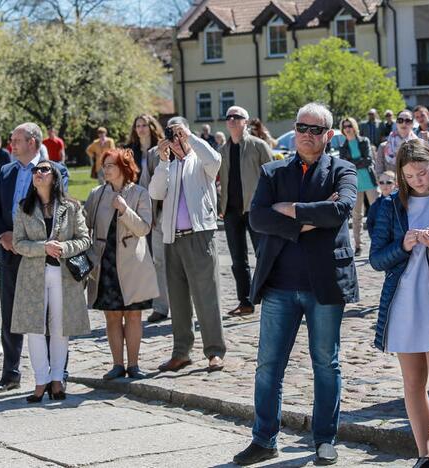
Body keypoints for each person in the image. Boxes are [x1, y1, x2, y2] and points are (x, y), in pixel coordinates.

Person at [232, 102, 358, 466]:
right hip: (279, 285)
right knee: (268, 365)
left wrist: (290, 210)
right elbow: (257, 218)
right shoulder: (273, 172)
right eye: (302, 127)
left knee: (326, 363)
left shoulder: (343, 169)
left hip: (325, 286)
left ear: (328, 135)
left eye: (315, 130)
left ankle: (324, 439)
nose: (306, 134)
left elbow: (339, 211)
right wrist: (308, 219)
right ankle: (264, 438)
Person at [369, 140, 429, 468]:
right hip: (404, 304)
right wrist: (403, 245)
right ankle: (423, 455)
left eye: (422, 173)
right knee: (413, 383)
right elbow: (377, 259)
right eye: (409, 176)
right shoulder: (389, 205)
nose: (418, 180)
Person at [0, 122, 70, 393]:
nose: (12, 144)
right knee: (12, 313)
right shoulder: (6, 171)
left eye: (17, 140)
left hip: (40, 254)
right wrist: (4, 235)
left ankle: (53, 374)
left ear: (33, 142)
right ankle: (10, 373)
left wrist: (32, 241)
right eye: (12, 139)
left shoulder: (55, 170)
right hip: (10, 252)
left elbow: (57, 207)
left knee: (49, 315)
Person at [148, 116, 226, 373]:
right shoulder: (167, 165)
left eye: (178, 134)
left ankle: (214, 351)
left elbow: (215, 160)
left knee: (207, 297)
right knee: (178, 301)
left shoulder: (200, 160)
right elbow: (155, 193)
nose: (176, 140)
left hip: (199, 235)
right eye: (173, 135)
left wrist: (190, 136)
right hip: (172, 238)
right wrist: (162, 161)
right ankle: (181, 352)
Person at [12, 160, 91, 402]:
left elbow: (84, 239)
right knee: (35, 328)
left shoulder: (71, 206)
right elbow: (18, 243)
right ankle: (40, 381)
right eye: (35, 170)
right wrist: (42, 248)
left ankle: (57, 380)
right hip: (33, 275)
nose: (38, 173)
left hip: (64, 275)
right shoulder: (24, 207)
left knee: (60, 327)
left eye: (44, 169)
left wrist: (63, 247)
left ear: (54, 177)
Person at [86, 148, 158, 380]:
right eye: (103, 165)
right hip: (105, 264)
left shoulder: (139, 193)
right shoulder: (96, 194)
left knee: (134, 315)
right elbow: (84, 224)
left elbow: (144, 228)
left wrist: (125, 209)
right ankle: (117, 365)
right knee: (113, 316)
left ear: (123, 168)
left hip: (133, 265)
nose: (105, 169)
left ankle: (134, 365)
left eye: (110, 165)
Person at [219, 106, 273, 316]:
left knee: (264, 255)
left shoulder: (258, 146)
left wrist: (270, 205)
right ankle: (246, 301)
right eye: (229, 117)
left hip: (256, 209)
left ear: (246, 121)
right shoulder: (222, 150)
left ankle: (270, 299)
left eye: (237, 117)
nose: (232, 120)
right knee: (237, 261)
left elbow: (273, 176)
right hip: (231, 212)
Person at [125, 115, 170, 324]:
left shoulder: (161, 148)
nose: (141, 129)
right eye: (138, 126)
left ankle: (162, 306)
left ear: (152, 127)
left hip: (159, 209)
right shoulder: (129, 150)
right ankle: (144, 301)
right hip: (135, 209)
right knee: (141, 258)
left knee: (160, 259)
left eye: (145, 125)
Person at [338, 117, 378, 255]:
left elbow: (368, 160)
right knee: (356, 216)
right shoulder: (343, 146)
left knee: (377, 213)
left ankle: (378, 242)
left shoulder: (364, 141)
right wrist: (357, 163)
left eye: (349, 125)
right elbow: (345, 165)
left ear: (354, 127)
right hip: (354, 184)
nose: (347, 128)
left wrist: (352, 163)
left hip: (369, 182)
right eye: (345, 126)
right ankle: (358, 246)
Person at [366, 170, 396, 235]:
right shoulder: (375, 205)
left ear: (396, 183)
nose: (384, 185)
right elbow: (370, 223)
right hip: (380, 240)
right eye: (381, 182)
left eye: (388, 182)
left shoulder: (401, 201)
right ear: (378, 184)